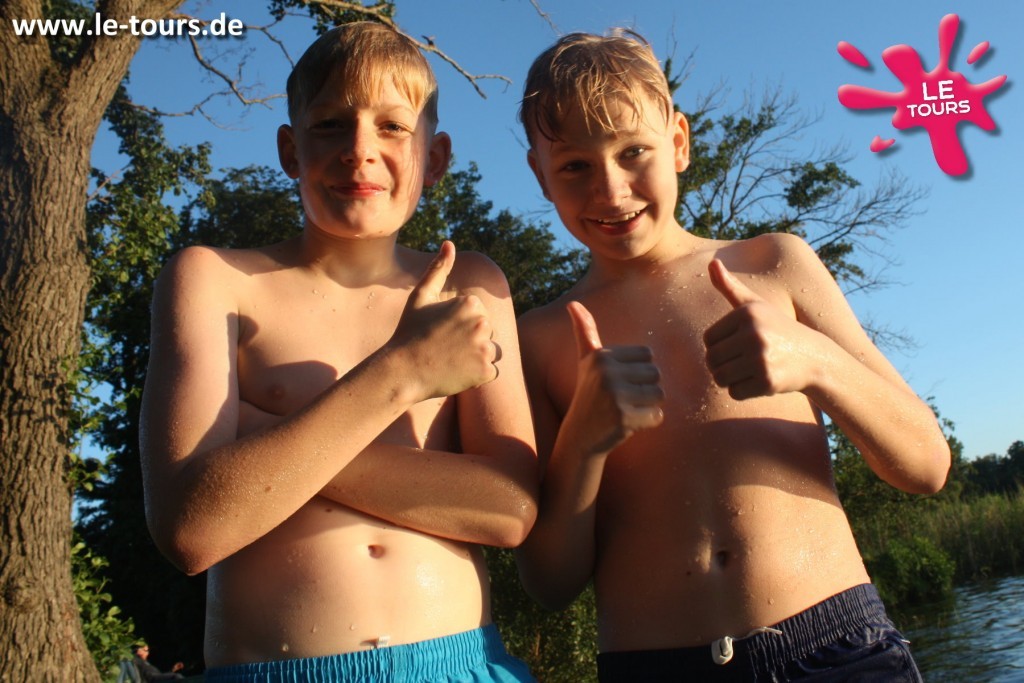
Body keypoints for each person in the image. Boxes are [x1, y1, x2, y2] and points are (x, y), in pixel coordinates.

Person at [513, 29, 951, 682]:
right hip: (652, 667)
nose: (610, 190)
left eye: (633, 152)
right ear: (539, 175)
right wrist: (583, 442)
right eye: (575, 165)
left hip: (835, 646)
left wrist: (815, 362)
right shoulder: (541, 338)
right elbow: (549, 582)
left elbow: (926, 464)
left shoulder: (775, 265)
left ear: (678, 142)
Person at [139, 21, 538, 682]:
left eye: (393, 126)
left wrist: (264, 442)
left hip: (460, 664)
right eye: (330, 125)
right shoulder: (214, 280)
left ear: (435, 158)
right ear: (290, 149)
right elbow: (192, 527)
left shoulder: (469, 287)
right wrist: (400, 373)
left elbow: (509, 509)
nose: (359, 150)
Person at [118, 643, 184, 682]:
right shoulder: (136, 660)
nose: (148, 653)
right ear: (139, 651)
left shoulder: (145, 662)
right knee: (176, 676)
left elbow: (160, 676)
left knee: (175, 676)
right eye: (146, 650)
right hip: (152, 679)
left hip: (157, 678)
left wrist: (173, 670)